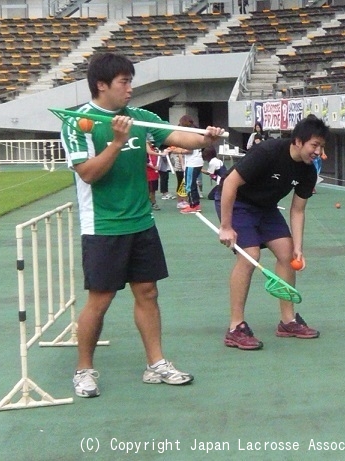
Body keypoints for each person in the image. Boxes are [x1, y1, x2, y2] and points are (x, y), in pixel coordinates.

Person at [60, 52, 225, 398]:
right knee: (100, 300)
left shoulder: (140, 116)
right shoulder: (78, 122)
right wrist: (118, 143)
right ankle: (84, 370)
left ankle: (156, 363)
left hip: (141, 222)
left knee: (148, 292)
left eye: (131, 81)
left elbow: (183, 138)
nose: (130, 89)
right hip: (103, 226)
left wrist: (208, 139)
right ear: (101, 85)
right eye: (124, 82)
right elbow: (88, 174)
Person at [216, 115, 330, 350]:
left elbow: (297, 210)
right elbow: (229, 184)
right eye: (314, 145)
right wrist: (226, 226)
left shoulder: (308, 171)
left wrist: (298, 246)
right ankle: (235, 327)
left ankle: (288, 321)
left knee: (288, 253)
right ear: (298, 141)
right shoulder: (268, 151)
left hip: (265, 207)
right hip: (238, 202)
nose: (318, 151)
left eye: (322, 146)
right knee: (250, 255)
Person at [175, 115, 204, 214]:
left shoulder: (189, 134)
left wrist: (178, 151)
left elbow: (189, 150)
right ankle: (196, 204)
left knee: (189, 185)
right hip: (196, 162)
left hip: (193, 163)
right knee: (192, 184)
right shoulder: (195, 132)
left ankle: (193, 205)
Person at [146, 141, 160, 210]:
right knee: (149, 190)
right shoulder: (145, 151)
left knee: (153, 190)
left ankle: (153, 203)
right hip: (149, 174)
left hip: (155, 174)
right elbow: (146, 162)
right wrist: (154, 167)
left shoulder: (155, 149)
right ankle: (150, 203)